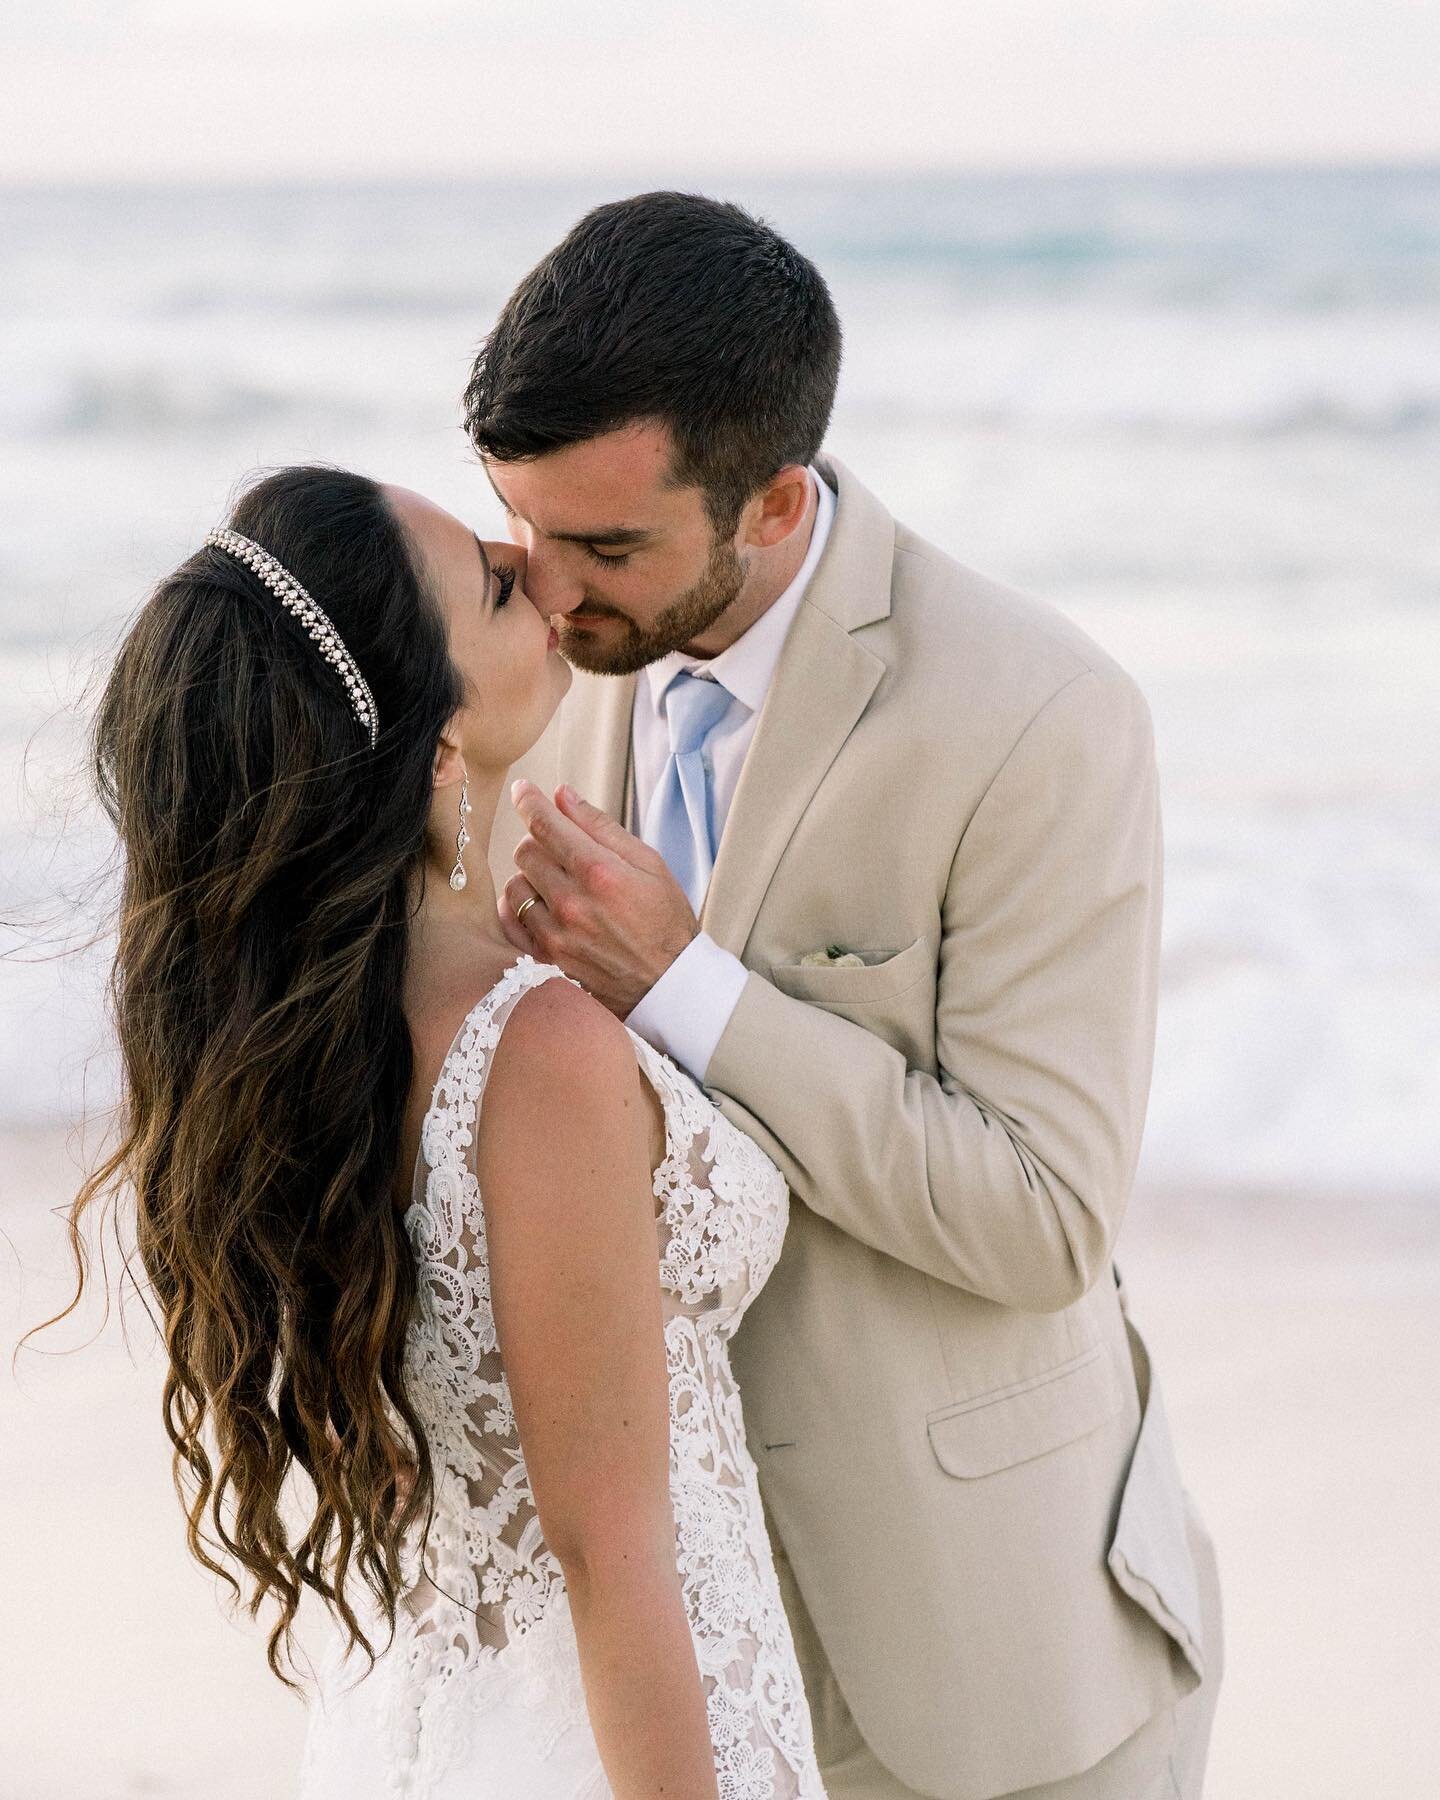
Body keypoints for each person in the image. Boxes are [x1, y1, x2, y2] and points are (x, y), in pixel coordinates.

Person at [472, 192, 1224, 1800]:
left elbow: (1042, 1215)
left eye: (608, 547)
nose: (549, 588)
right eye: (522, 529)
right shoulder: (538, 673)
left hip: (985, 1662)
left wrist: (684, 983)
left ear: (774, 502)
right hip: (666, 1658)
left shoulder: (1039, 716)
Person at [47, 465, 828, 1798]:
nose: (545, 573)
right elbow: (608, 1547)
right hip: (611, 1740)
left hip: (431, 1714)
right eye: (500, 584)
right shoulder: (538, 1052)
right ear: (439, 745)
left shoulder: (315, 1037)